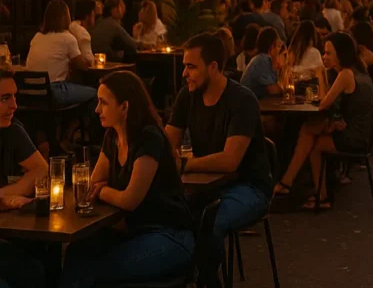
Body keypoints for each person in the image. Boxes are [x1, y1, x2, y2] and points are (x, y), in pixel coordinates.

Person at [61, 72, 194, 288]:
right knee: (77, 252)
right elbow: (92, 184)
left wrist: (103, 191)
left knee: (89, 269)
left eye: (103, 103)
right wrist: (101, 189)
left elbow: (130, 200)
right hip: (133, 232)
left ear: (124, 107)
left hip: (168, 235)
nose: (96, 110)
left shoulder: (148, 137)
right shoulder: (113, 136)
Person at [165, 33, 272, 287]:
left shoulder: (242, 100)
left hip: (249, 186)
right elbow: (167, 145)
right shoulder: (187, 95)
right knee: (168, 215)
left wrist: (185, 163)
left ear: (213, 67)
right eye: (184, 66)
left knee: (208, 222)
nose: (184, 73)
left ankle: (208, 282)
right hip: (206, 185)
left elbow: (229, 161)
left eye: (191, 67)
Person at [273, 32, 373, 209]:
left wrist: (321, 73)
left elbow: (323, 104)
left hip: (356, 137)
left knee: (310, 134)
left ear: (340, 54)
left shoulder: (345, 74)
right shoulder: (358, 70)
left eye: (328, 53)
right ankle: (297, 186)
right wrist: (335, 119)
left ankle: (299, 187)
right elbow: (338, 105)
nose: (324, 56)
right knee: (309, 130)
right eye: (324, 52)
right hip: (363, 133)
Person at [0, 70, 49, 288]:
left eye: (14, 96)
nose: (14, 106)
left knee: (35, 270)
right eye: (5, 98)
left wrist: (7, 194)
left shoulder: (11, 129)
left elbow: (42, 170)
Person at [26, 0, 95, 106]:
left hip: (30, 92)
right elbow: (84, 66)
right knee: (95, 93)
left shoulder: (37, 37)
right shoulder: (67, 38)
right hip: (54, 91)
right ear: (65, 17)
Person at [239, 27, 288, 99]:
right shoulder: (262, 60)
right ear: (272, 46)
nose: (279, 50)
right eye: (278, 46)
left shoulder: (266, 61)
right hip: (247, 103)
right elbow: (273, 90)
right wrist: (290, 86)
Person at [69, 0, 97, 66]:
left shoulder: (70, 26)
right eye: (94, 12)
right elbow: (88, 60)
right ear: (90, 13)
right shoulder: (83, 33)